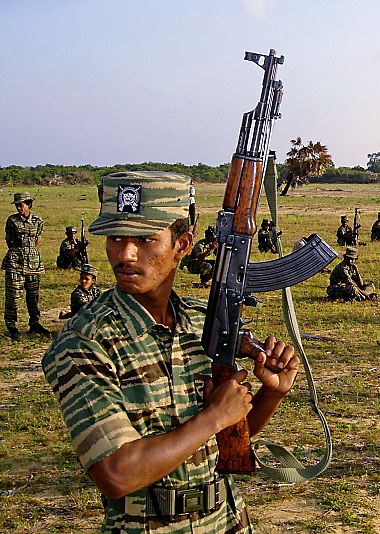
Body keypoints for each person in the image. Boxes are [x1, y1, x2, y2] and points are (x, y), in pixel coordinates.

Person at [42, 171, 300, 532]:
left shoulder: (202, 322)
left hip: (226, 518)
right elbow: (116, 473)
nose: (126, 254)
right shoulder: (84, 342)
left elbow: (226, 439)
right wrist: (212, 416)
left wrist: (270, 394)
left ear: (182, 244)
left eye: (146, 238)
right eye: (115, 237)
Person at [3, 191, 49, 340]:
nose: (19, 208)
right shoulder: (12, 221)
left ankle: (35, 323)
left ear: (29, 204)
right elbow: (9, 241)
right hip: (15, 262)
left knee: (33, 295)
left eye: (21, 205)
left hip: (33, 263)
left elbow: (37, 240)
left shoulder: (38, 221)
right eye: (17, 205)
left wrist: (30, 252)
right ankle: (11, 326)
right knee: (13, 296)